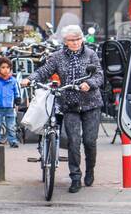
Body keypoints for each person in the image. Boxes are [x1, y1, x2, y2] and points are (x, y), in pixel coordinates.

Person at [20, 25, 104, 193]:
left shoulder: (91, 54)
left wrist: (89, 83)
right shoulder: (57, 57)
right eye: (71, 40)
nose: (75, 43)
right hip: (70, 104)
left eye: (78, 39)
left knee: (89, 141)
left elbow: (99, 75)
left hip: (91, 103)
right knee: (73, 141)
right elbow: (44, 71)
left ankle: (90, 170)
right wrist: (29, 79)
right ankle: (75, 177)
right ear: (65, 41)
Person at [0, 56, 21, 148]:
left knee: (11, 126)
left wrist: (17, 98)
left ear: (10, 69)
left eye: (7, 67)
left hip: (10, 107)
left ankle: (13, 141)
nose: (5, 69)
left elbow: (16, 91)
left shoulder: (13, 81)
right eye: (3, 67)